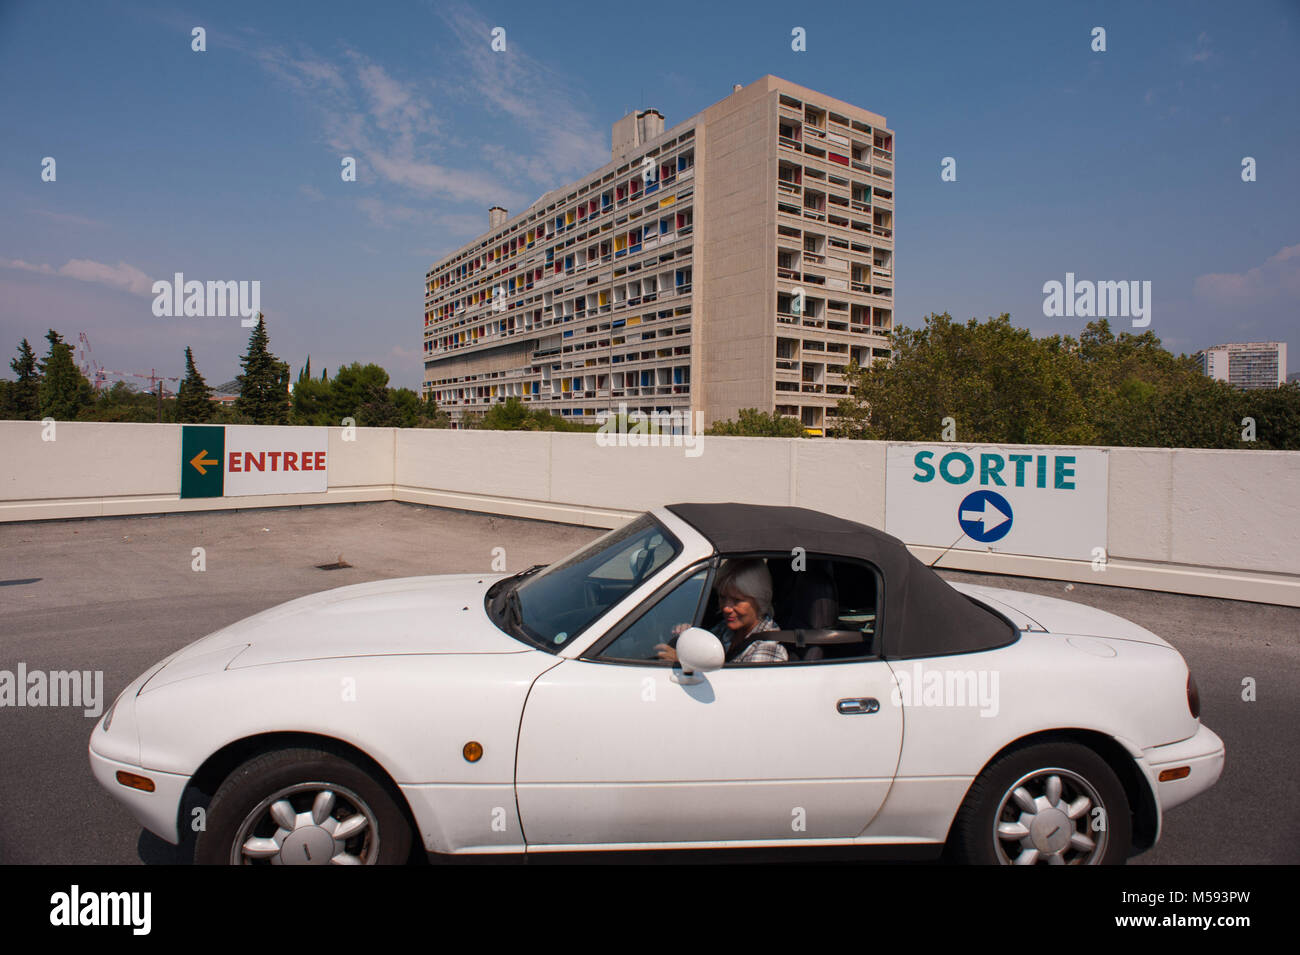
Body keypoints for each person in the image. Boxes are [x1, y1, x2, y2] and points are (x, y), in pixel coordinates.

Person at [655, 558, 788, 664]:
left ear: (760, 600)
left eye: (737, 600)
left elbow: (736, 693)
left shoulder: (768, 650)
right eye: (722, 597)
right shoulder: (727, 629)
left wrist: (684, 662)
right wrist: (688, 633)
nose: (726, 608)